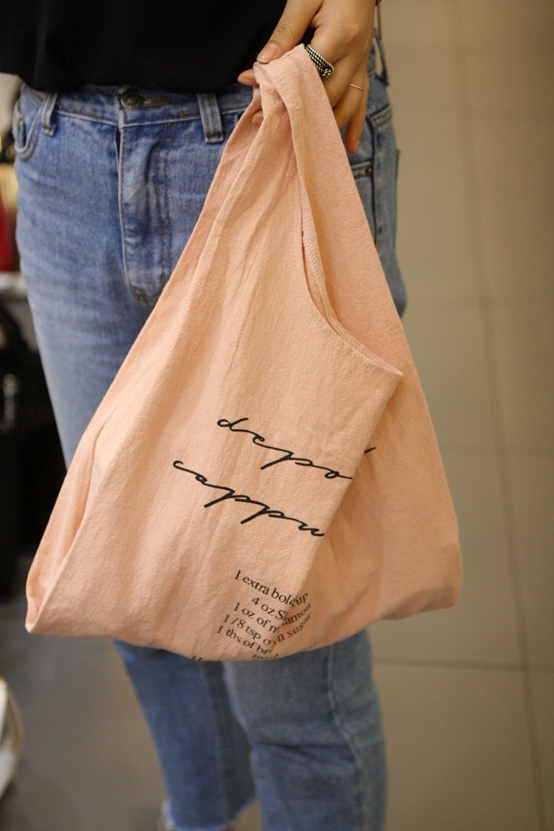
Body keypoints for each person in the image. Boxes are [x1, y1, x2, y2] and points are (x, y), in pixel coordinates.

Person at [1, 1, 406, 828]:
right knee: (137, 592)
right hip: (62, 140)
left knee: (290, 661)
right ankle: (200, 813)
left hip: (266, 114)